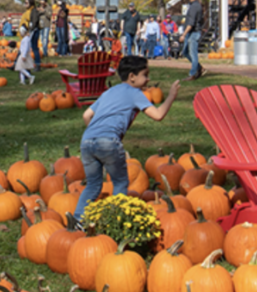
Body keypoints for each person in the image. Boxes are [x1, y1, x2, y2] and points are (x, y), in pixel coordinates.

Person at [73, 58, 181, 222]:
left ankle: (77, 221)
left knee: (93, 185)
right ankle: (115, 222)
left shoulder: (109, 92)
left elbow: (86, 115)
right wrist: (172, 95)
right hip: (109, 141)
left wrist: (94, 138)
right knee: (120, 182)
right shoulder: (135, 93)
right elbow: (158, 115)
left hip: (86, 141)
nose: (148, 79)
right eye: (145, 75)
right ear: (132, 77)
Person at [179, 0, 204, 80]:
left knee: (193, 54)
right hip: (191, 32)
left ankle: (192, 74)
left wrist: (183, 35)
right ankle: (199, 68)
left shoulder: (195, 6)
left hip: (193, 32)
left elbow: (191, 23)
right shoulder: (194, 5)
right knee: (185, 52)